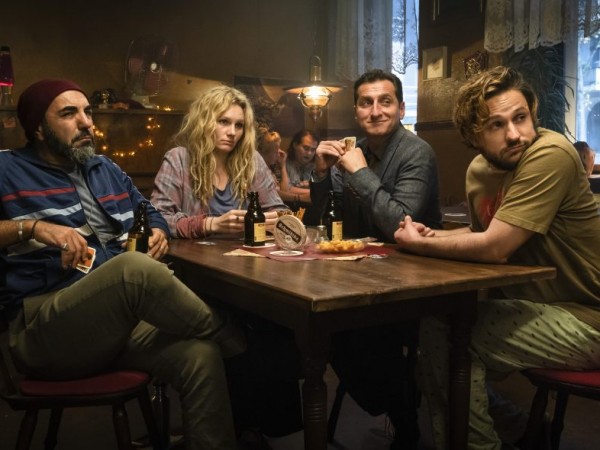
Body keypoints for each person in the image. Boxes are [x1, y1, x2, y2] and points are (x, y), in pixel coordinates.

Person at [0, 79, 245, 449]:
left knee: (201, 355)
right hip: (43, 328)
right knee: (134, 269)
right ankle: (238, 339)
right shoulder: (6, 167)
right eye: (69, 114)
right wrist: (32, 227)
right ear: (37, 128)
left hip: (113, 323)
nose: (86, 122)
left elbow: (149, 210)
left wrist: (159, 230)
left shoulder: (105, 168)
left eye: (87, 112)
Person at [394, 66, 600, 450]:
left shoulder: (550, 153)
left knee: (447, 335)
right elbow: (483, 233)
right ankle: (521, 429)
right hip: (539, 310)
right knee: (433, 343)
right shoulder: (479, 171)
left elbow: (495, 247)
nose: (515, 134)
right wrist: (429, 234)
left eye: (521, 118)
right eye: (496, 125)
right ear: (473, 135)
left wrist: (419, 245)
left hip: (589, 318)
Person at [151, 85, 303, 448]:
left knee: (278, 320)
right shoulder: (180, 159)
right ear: (204, 121)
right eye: (223, 122)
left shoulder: (251, 161)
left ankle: (261, 425)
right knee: (240, 326)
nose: (231, 132)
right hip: (195, 277)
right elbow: (159, 217)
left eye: (238, 125)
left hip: (246, 272)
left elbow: (279, 209)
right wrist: (210, 224)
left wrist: (268, 220)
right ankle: (238, 427)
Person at [310, 68, 442, 449]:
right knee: (318, 328)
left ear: (401, 109)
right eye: (366, 103)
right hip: (365, 276)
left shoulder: (417, 152)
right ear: (356, 112)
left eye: (385, 101)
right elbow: (327, 221)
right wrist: (320, 174)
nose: (375, 110)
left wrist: (360, 173)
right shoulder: (356, 150)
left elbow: (401, 223)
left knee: (366, 335)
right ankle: (395, 402)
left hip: (418, 282)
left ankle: (403, 416)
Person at [285, 129, 318, 203]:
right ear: (295, 145)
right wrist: (313, 192)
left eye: (313, 150)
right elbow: (284, 189)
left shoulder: (316, 165)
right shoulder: (283, 162)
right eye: (306, 148)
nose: (309, 153)